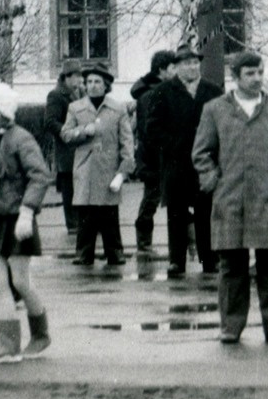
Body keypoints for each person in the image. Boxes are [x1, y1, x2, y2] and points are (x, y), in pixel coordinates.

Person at [192, 51, 268, 345]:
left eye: (259, 72)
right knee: (231, 268)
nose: (256, 79)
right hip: (229, 199)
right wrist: (213, 181)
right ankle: (231, 325)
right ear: (236, 77)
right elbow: (201, 152)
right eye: (250, 74)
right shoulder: (215, 109)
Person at [0, 82, 53, 364]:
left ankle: (41, 334)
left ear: (2, 109)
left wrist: (28, 212)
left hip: (17, 219)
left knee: (19, 281)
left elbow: (40, 176)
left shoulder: (21, 138)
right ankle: (8, 345)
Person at [153, 46, 221, 278]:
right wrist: (173, 144)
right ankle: (176, 261)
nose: (191, 67)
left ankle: (209, 258)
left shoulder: (213, 91)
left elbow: (223, 124)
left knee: (206, 211)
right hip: (176, 162)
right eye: (185, 63)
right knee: (176, 213)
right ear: (177, 67)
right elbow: (152, 128)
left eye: (194, 63)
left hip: (205, 161)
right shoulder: (163, 91)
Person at [61, 62, 135, 267]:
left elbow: (126, 142)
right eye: (89, 81)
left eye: (97, 82)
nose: (92, 85)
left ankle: (115, 252)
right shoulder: (76, 108)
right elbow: (65, 135)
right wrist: (84, 130)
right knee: (86, 213)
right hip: (85, 168)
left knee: (109, 213)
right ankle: (84, 252)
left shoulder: (117, 109)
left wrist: (124, 171)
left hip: (109, 169)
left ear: (106, 85)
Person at [129, 50, 176, 256]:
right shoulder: (152, 95)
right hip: (154, 157)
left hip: (161, 155)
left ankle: (192, 243)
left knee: (174, 198)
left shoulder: (163, 90)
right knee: (152, 199)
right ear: (162, 70)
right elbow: (149, 130)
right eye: (174, 67)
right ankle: (144, 243)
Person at [42, 61, 85, 235]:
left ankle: (81, 222)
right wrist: (68, 132)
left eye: (80, 76)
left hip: (81, 146)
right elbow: (50, 122)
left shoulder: (81, 93)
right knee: (69, 187)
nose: (80, 80)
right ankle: (72, 224)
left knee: (81, 185)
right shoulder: (56, 95)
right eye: (76, 76)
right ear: (67, 77)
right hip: (67, 148)